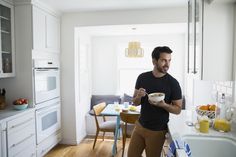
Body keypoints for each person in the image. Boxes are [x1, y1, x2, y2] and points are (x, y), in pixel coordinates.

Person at [128, 46, 182, 157]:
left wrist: (164, 105)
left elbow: (178, 109)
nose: (167, 64)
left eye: (169, 60)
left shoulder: (173, 83)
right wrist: (138, 96)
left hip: (157, 131)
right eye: (163, 60)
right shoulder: (142, 78)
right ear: (154, 61)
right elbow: (135, 102)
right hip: (140, 126)